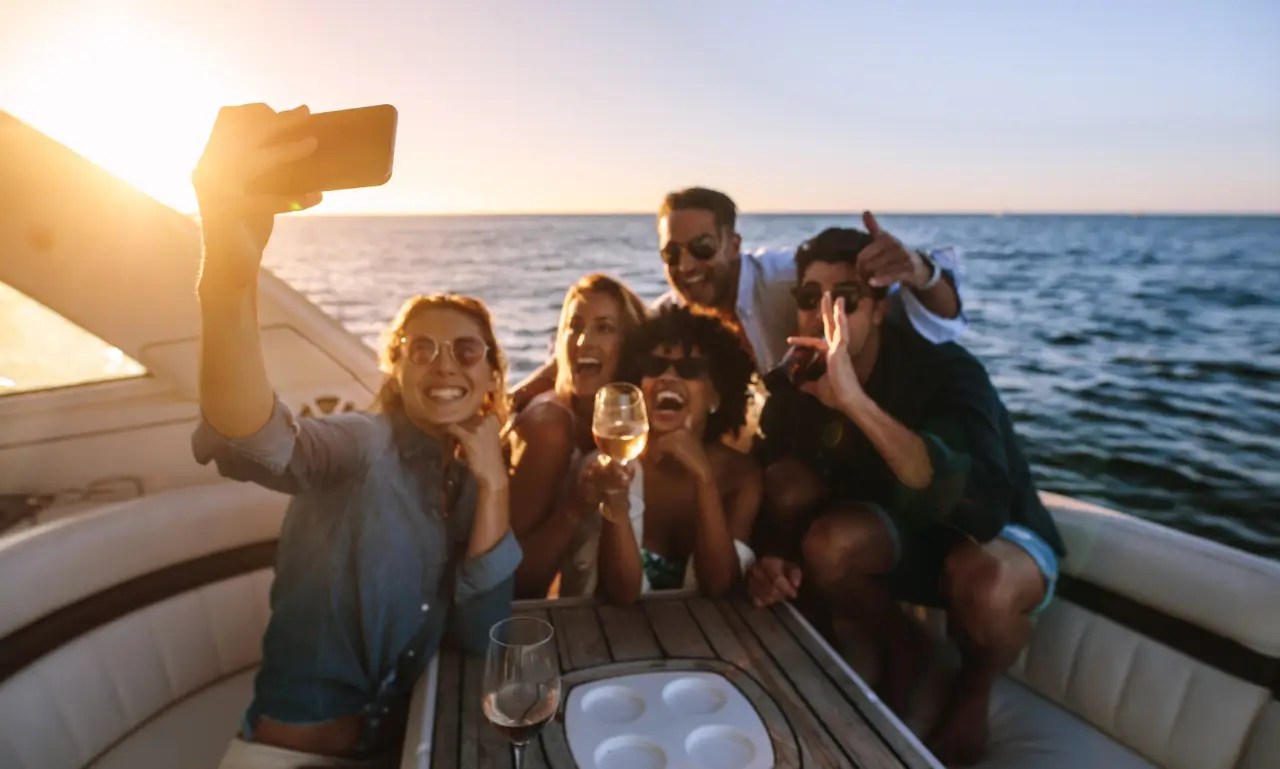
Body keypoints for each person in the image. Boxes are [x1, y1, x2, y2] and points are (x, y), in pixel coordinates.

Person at [191, 104, 520, 768]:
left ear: (491, 375)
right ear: (394, 366)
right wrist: (227, 276)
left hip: (398, 745)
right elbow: (254, 432)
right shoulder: (359, 444)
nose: (444, 363)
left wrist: (493, 486)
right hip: (289, 751)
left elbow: (484, 637)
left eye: (464, 349)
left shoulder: (465, 478)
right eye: (420, 348)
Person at [747, 227, 1066, 765]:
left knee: (981, 581)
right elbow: (775, 483)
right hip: (907, 528)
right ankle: (903, 644)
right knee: (826, 538)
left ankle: (973, 687)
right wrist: (768, 559)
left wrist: (854, 403)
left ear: (878, 310)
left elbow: (981, 508)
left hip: (996, 530)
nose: (825, 315)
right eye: (809, 298)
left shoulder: (946, 371)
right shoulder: (799, 386)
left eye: (844, 300)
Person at [509, 186, 966, 408]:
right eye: (672, 252)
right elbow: (618, 334)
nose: (685, 266)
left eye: (702, 248)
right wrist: (516, 399)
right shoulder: (680, 308)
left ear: (733, 244)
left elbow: (938, 316)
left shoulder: (791, 276)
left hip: (884, 412)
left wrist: (920, 272)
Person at [577, 306, 760, 603]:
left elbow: (720, 587)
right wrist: (616, 503)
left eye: (690, 369)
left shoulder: (741, 476)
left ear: (716, 396)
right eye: (655, 365)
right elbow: (619, 596)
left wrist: (703, 478)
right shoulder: (608, 467)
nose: (668, 377)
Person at [506, 274, 648, 599]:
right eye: (575, 326)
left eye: (604, 327)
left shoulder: (623, 422)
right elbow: (513, 583)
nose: (583, 342)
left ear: (629, 344)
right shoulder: (549, 426)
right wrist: (575, 508)